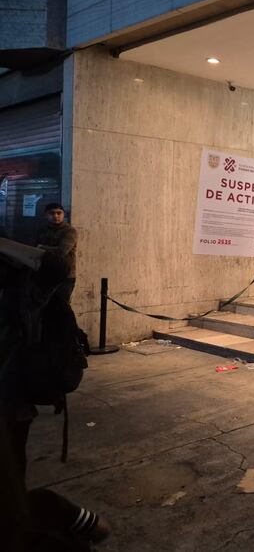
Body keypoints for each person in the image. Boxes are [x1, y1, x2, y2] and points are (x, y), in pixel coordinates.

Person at [0, 238, 110, 549]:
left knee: (12, 476)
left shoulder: (18, 295)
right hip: (11, 402)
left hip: (10, 401)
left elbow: (54, 266)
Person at [35, 203, 77, 303]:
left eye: (59, 213)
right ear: (46, 215)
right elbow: (33, 247)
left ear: (63, 214)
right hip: (46, 273)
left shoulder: (69, 231)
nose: (55, 216)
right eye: (52, 213)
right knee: (44, 305)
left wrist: (41, 247)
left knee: (62, 306)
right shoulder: (42, 230)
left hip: (65, 275)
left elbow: (62, 251)